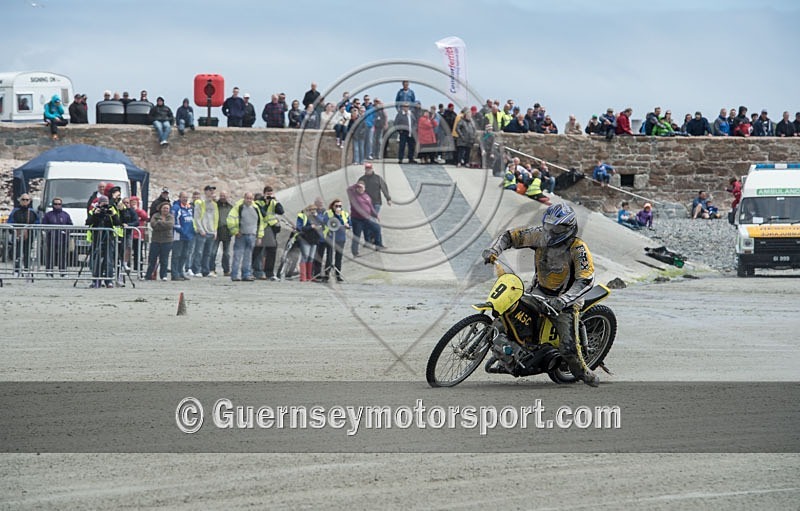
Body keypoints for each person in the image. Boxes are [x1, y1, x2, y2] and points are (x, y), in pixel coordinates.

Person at [482, 204, 600, 387]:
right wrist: (494, 250)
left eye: (557, 228)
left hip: (566, 301)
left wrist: (564, 300)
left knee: (568, 348)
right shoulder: (538, 234)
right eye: (549, 227)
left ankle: (584, 373)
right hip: (537, 292)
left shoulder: (579, 249)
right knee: (506, 316)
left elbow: (585, 280)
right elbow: (509, 236)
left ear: (569, 228)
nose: (551, 232)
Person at [85, 194, 122, 288]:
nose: (104, 205)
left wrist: (113, 215)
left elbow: (118, 223)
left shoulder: (112, 210)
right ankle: (96, 279)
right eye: (103, 203)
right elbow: (88, 222)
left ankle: (108, 280)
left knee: (109, 259)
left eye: (106, 203)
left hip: (109, 237)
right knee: (96, 258)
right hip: (97, 237)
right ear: (99, 203)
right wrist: (95, 214)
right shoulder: (94, 210)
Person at [227, 192, 264, 281]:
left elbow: (260, 223)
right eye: (247, 198)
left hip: (252, 235)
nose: (249, 200)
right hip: (241, 235)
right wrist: (235, 231)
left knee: (248, 256)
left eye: (251, 198)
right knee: (237, 256)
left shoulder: (256, 208)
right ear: (244, 198)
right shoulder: (238, 207)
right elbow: (230, 219)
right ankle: (235, 275)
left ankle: (246, 275)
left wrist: (259, 236)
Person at [347, 180, 383, 257]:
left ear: (364, 188)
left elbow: (370, 207)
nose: (361, 189)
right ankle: (355, 252)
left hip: (367, 218)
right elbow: (348, 189)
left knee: (377, 228)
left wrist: (376, 215)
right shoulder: (353, 195)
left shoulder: (366, 196)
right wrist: (357, 185)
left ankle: (378, 245)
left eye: (362, 187)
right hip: (357, 219)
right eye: (359, 188)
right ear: (357, 188)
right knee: (357, 236)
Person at [8, 194, 40, 275]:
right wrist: (14, 230)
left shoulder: (33, 212)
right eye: (23, 199)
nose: (25, 201)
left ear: (29, 201)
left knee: (27, 252)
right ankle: (17, 269)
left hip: (29, 236)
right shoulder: (15, 211)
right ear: (20, 200)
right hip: (17, 235)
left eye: (27, 200)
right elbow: (10, 222)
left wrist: (31, 230)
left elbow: (37, 223)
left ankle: (26, 269)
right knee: (17, 252)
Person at [191, 185, 218, 277]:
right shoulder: (200, 203)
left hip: (211, 231)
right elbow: (197, 217)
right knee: (198, 252)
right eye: (210, 190)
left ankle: (205, 270)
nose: (212, 192)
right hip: (203, 231)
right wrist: (200, 229)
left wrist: (215, 231)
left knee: (208, 253)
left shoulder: (214, 204)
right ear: (206, 192)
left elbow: (215, 218)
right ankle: (196, 270)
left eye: (213, 191)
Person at [42, 197, 73, 276]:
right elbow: (43, 225)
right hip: (51, 239)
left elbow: (70, 225)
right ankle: (49, 271)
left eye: (59, 204)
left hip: (63, 239)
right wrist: (48, 231)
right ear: (53, 205)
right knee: (50, 255)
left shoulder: (65, 215)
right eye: (55, 204)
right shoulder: (48, 215)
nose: (57, 205)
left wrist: (66, 232)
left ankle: (63, 272)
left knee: (62, 256)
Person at [258, 186, 284, 280]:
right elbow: (263, 213)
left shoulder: (274, 202)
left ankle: (269, 273)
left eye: (271, 194)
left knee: (272, 250)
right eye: (268, 194)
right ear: (264, 194)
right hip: (261, 228)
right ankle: (257, 270)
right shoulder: (259, 202)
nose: (269, 196)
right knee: (258, 250)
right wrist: (266, 203)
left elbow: (281, 211)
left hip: (272, 229)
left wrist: (276, 201)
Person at [321, 198, 351, 283]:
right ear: (333, 206)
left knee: (339, 257)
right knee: (329, 256)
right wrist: (338, 216)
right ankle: (327, 275)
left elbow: (349, 223)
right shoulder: (328, 213)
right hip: (330, 236)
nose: (338, 208)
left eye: (340, 206)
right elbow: (329, 222)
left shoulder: (345, 214)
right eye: (336, 206)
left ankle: (338, 275)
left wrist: (347, 225)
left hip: (341, 237)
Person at [145, 202, 174, 281]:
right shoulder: (155, 216)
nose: (165, 210)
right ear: (161, 208)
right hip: (156, 240)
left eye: (167, 208)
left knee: (164, 259)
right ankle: (148, 275)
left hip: (167, 241)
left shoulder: (170, 217)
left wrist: (160, 222)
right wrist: (163, 224)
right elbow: (153, 225)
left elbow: (170, 225)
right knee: (152, 259)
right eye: (164, 208)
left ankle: (163, 275)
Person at [295, 204, 323, 282]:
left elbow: (323, 222)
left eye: (314, 209)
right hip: (305, 239)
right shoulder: (302, 216)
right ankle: (303, 276)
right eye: (311, 209)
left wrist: (317, 216)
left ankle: (309, 276)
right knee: (305, 256)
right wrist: (311, 227)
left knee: (311, 257)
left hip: (314, 239)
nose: (313, 211)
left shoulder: (317, 216)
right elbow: (299, 227)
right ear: (307, 209)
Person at [170, 192, 195, 280]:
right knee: (176, 255)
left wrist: (192, 231)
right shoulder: (176, 208)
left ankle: (180, 272)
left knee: (184, 255)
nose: (185, 199)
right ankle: (174, 273)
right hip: (178, 235)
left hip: (188, 235)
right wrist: (182, 231)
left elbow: (191, 220)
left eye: (186, 197)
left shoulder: (189, 207)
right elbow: (174, 222)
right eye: (183, 197)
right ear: (179, 197)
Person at [212, 190, 234, 277]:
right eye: (221, 195)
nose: (222, 197)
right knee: (213, 252)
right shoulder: (215, 206)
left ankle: (226, 270)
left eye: (224, 195)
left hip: (227, 232)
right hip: (217, 231)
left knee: (226, 253)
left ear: (227, 196)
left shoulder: (230, 207)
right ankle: (212, 269)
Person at [128, 196, 148, 276]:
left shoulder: (140, 211)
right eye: (132, 203)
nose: (133, 204)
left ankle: (139, 268)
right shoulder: (128, 211)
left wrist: (137, 210)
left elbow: (145, 217)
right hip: (129, 235)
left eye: (135, 203)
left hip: (138, 235)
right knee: (128, 252)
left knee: (138, 253)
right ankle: (127, 267)